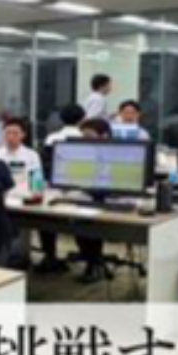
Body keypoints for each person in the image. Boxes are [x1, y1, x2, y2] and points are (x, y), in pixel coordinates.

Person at [66, 119, 115, 284]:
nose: (85, 139)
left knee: (89, 225)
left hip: (110, 199)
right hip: (85, 196)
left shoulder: (116, 153)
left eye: (89, 136)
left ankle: (94, 263)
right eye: (83, 136)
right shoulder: (83, 153)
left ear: (104, 136)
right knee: (78, 223)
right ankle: (93, 261)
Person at [0, 117, 44, 196]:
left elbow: (37, 185)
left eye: (15, 133)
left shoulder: (32, 155)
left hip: (24, 196)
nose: (10, 137)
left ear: (23, 134)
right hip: (2, 196)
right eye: (7, 133)